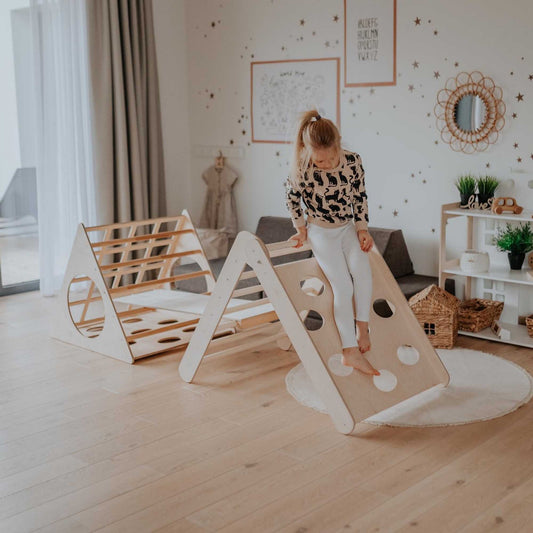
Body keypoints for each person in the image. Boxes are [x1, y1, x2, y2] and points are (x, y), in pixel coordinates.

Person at [285, 110, 379, 377]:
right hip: (321, 231)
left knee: (363, 271)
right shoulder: (302, 166)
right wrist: (301, 228)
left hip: (347, 227)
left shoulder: (352, 162)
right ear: (307, 151)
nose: (324, 164)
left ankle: (363, 327)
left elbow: (360, 196)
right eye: (319, 160)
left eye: (329, 159)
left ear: (338, 146)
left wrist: (362, 229)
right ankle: (350, 351)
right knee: (343, 285)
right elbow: (291, 199)